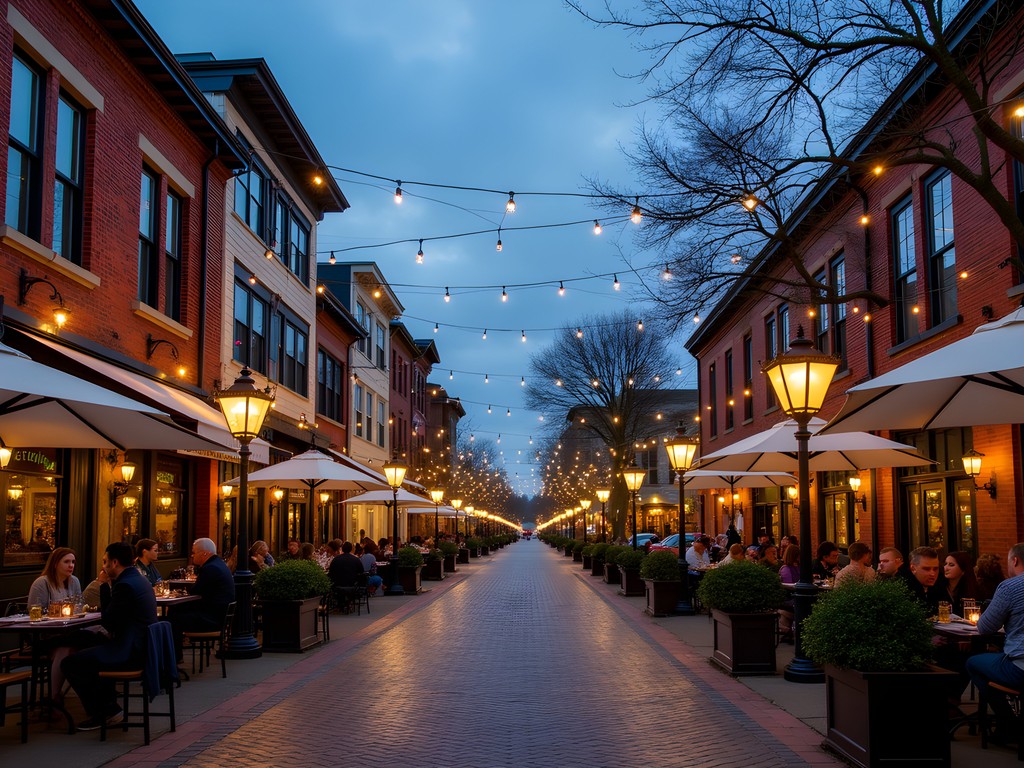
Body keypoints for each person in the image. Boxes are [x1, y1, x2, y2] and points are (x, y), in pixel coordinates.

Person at [61, 542, 157, 730]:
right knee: (83, 640)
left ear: (114, 562)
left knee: (71, 663)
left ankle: (106, 711)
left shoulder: (125, 585)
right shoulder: (138, 579)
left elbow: (109, 622)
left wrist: (104, 586)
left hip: (130, 652)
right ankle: (107, 702)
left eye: (105, 562)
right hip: (139, 645)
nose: (103, 566)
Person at [966, 543, 1024, 744]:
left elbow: (985, 627)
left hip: (1020, 668)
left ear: (1014, 560)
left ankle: (1008, 722)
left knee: (973, 663)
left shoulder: (1010, 587)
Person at [168, 538, 235, 662]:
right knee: (176, 612)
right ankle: (174, 656)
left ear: (205, 553)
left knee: (173, 617)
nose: (192, 555)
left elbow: (196, 591)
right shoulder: (218, 565)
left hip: (211, 619)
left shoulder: (210, 568)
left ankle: (174, 658)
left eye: (194, 552)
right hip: (219, 616)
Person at [905, 546, 944, 616]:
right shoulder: (904, 591)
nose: (932, 573)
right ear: (913, 569)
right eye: (926, 569)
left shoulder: (940, 586)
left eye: (935, 569)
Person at [943, 550, 979, 616]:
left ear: (963, 570)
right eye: (945, 564)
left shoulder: (973, 589)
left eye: (951, 565)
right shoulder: (939, 587)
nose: (946, 568)